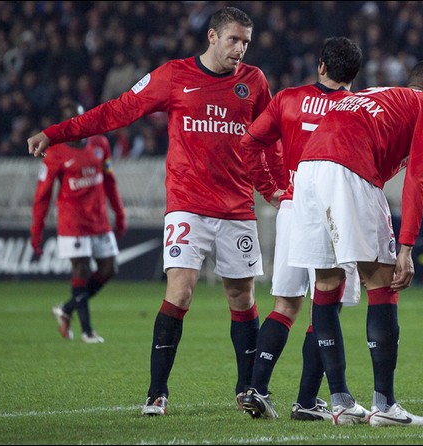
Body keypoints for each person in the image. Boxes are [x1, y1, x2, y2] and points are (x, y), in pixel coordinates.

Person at [28, 7, 282, 416]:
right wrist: (55, 134)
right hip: (188, 206)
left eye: (246, 42)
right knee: (180, 291)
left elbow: (269, 141)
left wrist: (276, 189)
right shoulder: (174, 76)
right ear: (213, 37)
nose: (241, 49)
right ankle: (156, 393)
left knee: (242, 296)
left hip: (237, 207)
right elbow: (114, 111)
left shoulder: (254, 82)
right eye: (234, 40)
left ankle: (247, 390)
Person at [288, 60, 423, 427]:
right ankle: (386, 406)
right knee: (382, 280)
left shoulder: (374, 94)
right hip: (349, 168)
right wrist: (406, 247)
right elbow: (419, 178)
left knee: (327, 284)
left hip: (309, 170)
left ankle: (341, 403)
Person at [239, 37, 366, 423]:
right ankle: (307, 401)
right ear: (354, 75)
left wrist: (271, 190)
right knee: (324, 308)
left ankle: (255, 389)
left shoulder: (287, 100)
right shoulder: (361, 108)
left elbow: (248, 144)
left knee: (285, 304)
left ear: (321, 66)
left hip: (293, 206)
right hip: (334, 213)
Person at [30, 99, 127, 344]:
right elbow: (42, 197)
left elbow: (109, 182)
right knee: (81, 270)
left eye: (79, 118)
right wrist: (36, 232)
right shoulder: (54, 152)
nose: (76, 124)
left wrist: (119, 213)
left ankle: (66, 309)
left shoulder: (100, 143)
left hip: (99, 220)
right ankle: (87, 331)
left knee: (109, 269)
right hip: (72, 222)